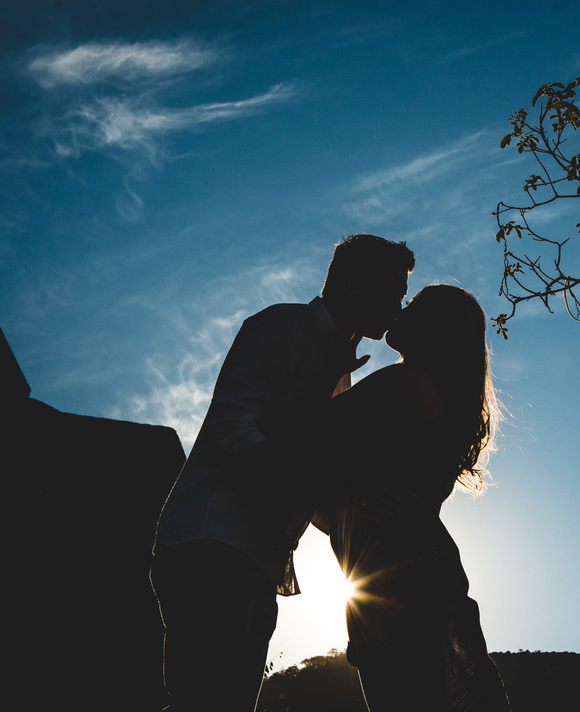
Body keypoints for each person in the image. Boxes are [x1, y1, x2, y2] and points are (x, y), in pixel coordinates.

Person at [151, 233, 415, 712]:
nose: (399, 308)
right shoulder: (280, 326)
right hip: (213, 541)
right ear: (353, 286)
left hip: (259, 559)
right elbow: (236, 426)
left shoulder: (340, 372)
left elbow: (307, 462)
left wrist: (350, 509)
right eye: (392, 294)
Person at [303, 284, 510, 712]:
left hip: (400, 580)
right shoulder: (424, 391)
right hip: (397, 574)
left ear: (432, 328)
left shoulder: (408, 382)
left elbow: (308, 431)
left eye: (412, 306)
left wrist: (333, 359)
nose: (400, 310)